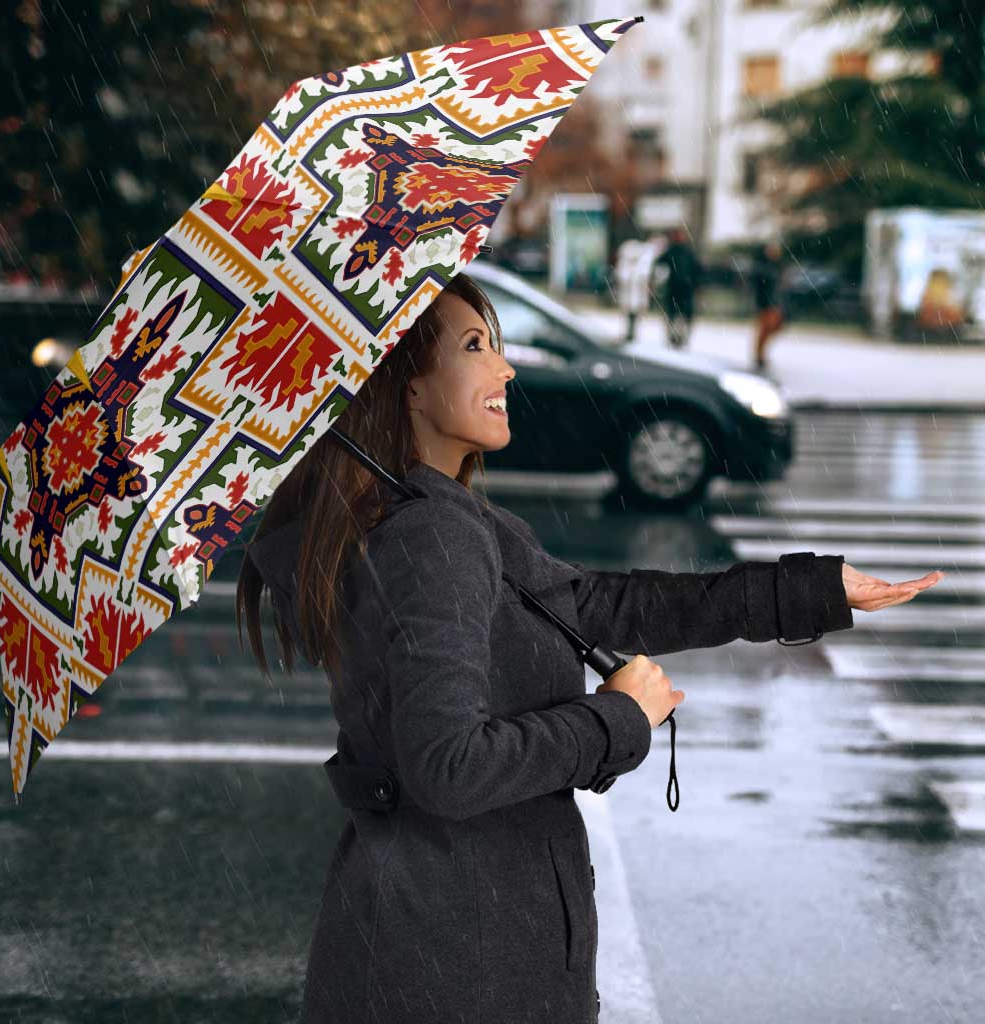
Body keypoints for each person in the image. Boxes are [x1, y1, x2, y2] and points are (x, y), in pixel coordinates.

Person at [238, 272, 935, 1024]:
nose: (505, 368)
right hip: (460, 963)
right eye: (476, 346)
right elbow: (448, 768)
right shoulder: (430, 537)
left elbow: (600, 605)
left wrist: (810, 591)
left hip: (444, 941)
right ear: (408, 386)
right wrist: (617, 719)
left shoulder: (437, 517)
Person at [653, 226, 703, 349]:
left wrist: (696, 284)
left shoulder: (686, 252)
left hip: (684, 288)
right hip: (676, 288)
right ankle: (674, 337)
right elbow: (659, 264)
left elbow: (697, 270)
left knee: (681, 315)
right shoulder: (673, 251)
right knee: (674, 314)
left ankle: (680, 337)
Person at [751, 239, 787, 371]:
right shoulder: (763, 267)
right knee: (765, 329)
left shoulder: (778, 266)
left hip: (775, 303)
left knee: (773, 328)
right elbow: (760, 286)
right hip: (766, 303)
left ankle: (761, 354)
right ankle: (759, 355)